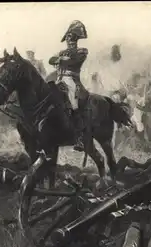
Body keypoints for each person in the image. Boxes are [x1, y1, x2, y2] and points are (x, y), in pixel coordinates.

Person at [49, 20, 89, 152]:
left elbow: (74, 61)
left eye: (71, 38)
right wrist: (60, 59)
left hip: (72, 80)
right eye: (67, 38)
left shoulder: (81, 51)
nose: (69, 41)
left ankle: (79, 137)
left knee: (73, 102)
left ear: (76, 39)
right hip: (59, 79)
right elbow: (51, 60)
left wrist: (60, 60)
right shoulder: (62, 52)